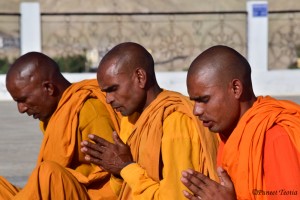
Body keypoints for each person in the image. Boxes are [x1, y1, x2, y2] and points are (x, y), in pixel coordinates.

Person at [80, 42, 219, 199]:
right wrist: (118, 173)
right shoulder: (131, 119)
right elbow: (127, 190)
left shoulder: (175, 121)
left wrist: (126, 168)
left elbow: (176, 197)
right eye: (105, 92)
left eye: (113, 89)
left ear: (140, 77)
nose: (108, 99)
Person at [181, 45, 300, 200]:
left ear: (236, 89)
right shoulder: (229, 134)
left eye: (204, 100)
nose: (196, 111)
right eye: (194, 102)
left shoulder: (274, 136)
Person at [0, 52, 121, 199]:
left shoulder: (89, 111)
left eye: (23, 99)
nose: (21, 109)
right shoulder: (57, 114)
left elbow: (115, 179)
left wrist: (56, 182)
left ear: (49, 88)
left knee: (48, 174)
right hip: (62, 191)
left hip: (90, 196)